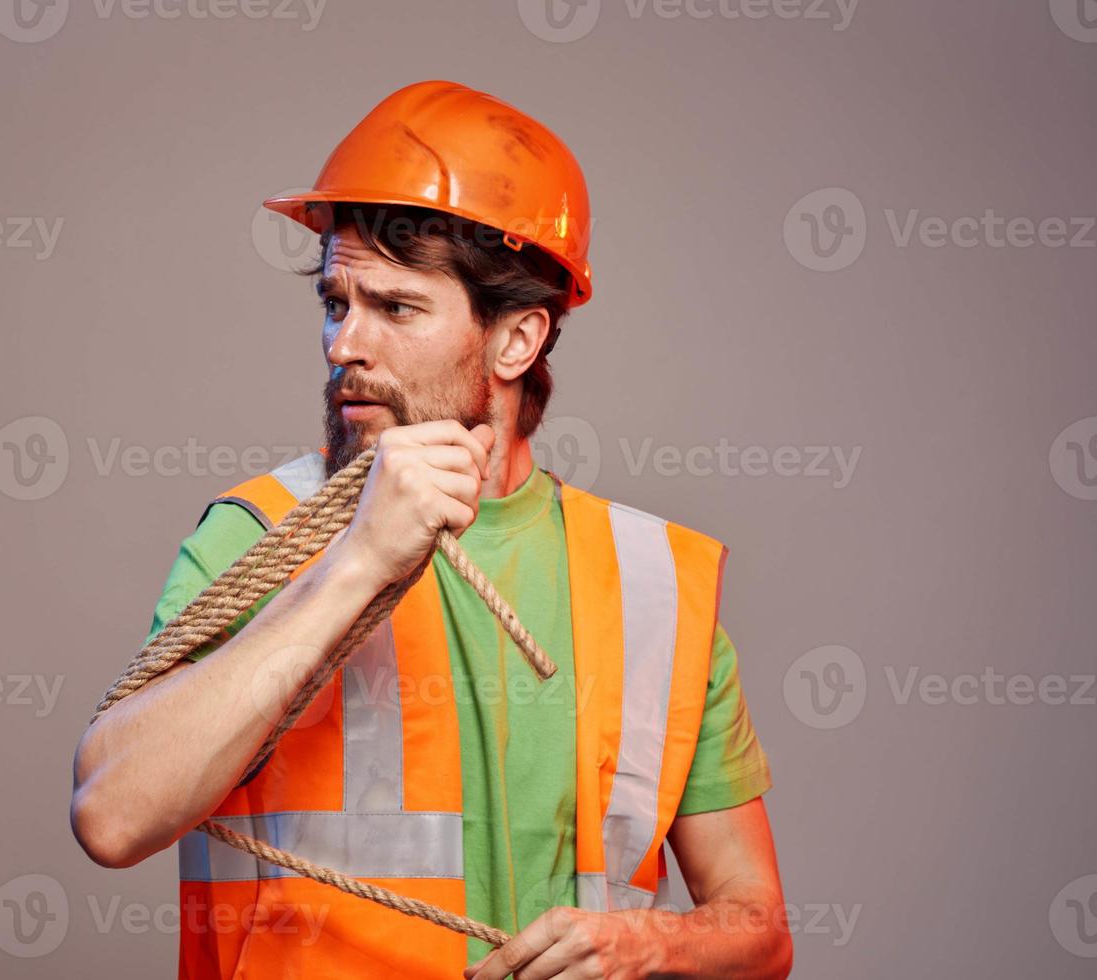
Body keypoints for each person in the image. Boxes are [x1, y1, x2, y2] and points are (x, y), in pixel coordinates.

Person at [72, 79, 792, 979]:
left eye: (396, 308)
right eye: (337, 302)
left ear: (517, 340)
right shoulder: (260, 534)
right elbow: (111, 815)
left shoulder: (652, 582)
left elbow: (760, 929)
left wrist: (647, 942)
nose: (344, 344)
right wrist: (360, 559)